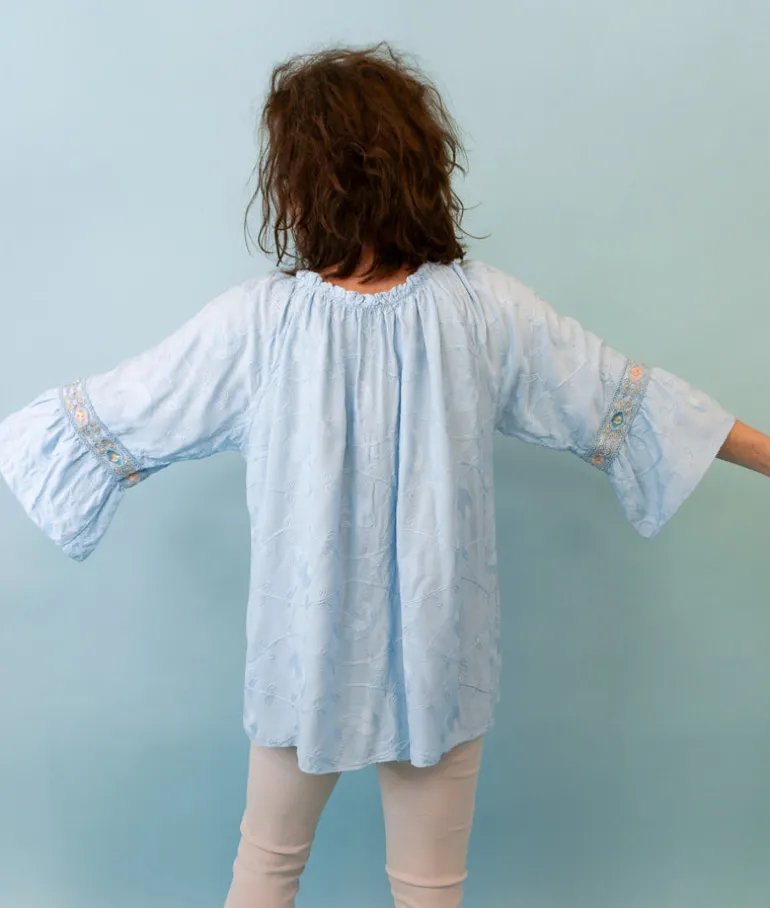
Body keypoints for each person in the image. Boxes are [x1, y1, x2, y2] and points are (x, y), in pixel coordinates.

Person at [0, 41, 767, 908]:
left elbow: (114, 412)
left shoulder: (260, 325)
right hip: (442, 655)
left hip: (306, 651)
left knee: (266, 869)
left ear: (300, 184)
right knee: (428, 891)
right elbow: (624, 396)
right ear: (418, 167)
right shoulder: (482, 308)